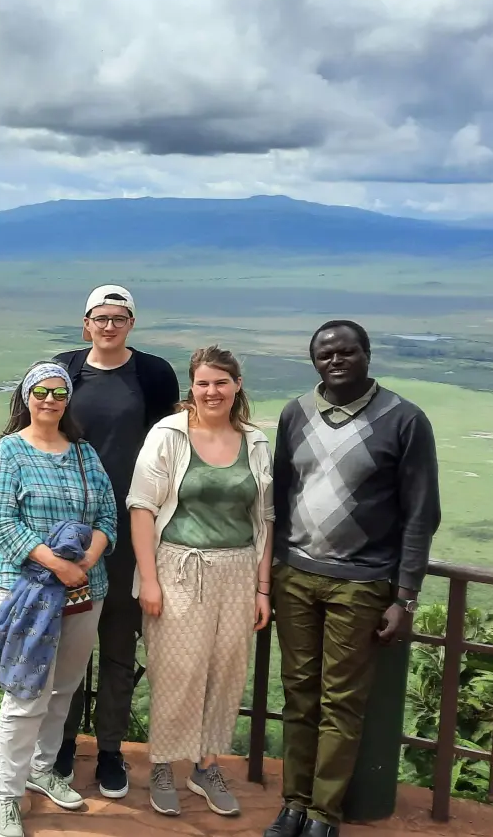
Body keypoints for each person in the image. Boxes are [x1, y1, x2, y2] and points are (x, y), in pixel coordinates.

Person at [265, 321, 440, 837]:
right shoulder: (296, 413)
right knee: (298, 694)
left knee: (341, 701)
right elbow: (280, 496)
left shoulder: (404, 419)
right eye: (325, 354)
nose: (336, 361)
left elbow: (421, 514)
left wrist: (405, 597)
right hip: (296, 575)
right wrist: (274, 569)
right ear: (314, 361)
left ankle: (324, 814)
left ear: (367, 354)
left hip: (362, 583)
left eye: (347, 352)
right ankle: (293, 803)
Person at [126, 347, 274, 819]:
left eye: (221, 382)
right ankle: (163, 764)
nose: (212, 392)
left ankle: (206, 766)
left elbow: (265, 518)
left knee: (226, 672)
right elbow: (142, 507)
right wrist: (149, 580)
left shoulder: (254, 441)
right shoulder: (169, 435)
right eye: (204, 383)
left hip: (238, 570)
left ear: (237, 386)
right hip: (178, 566)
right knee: (177, 670)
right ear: (192, 386)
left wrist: (262, 588)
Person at [53, 284, 179, 799]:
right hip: (70, 532)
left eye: (118, 318)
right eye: (100, 318)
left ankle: (110, 750)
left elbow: (171, 445)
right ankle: (61, 744)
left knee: (119, 646)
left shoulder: (152, 374)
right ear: (86, 324)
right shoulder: (64, 369)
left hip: (130, 530)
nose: (108, 326)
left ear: (131, 323)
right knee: (68, 645)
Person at [0, 362, 117, 837]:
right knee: (26, 693)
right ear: (26, 397)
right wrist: (59, 566)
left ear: (67, 400)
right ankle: (6, 794)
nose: (49, 400)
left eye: (59, 393)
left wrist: (86, 562)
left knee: (63, 687)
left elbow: (108, 516)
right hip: (24, 589)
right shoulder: (9, 451)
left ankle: (40, 769)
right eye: (40, 391)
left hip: (84, 589)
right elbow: (4, 525)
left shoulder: (84, 453)